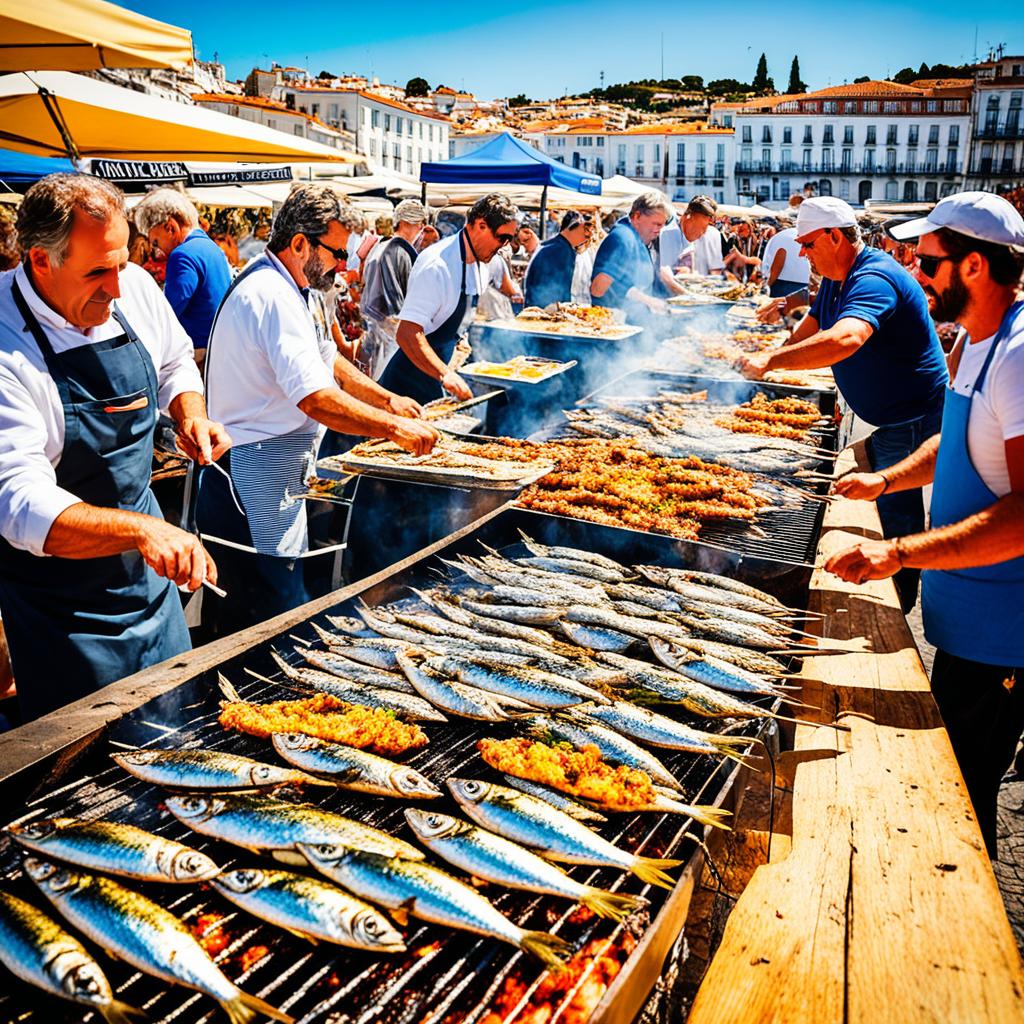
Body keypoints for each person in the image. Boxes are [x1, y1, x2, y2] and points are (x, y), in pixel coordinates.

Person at [824, 192, 1024, 857]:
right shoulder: (975, 340)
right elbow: (955, 439)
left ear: (973, 266)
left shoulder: (1021, 355)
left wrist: (901, 551)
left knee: (965, 805)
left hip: (1002, 638)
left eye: (930, 258)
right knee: (951, 788)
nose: (916, 267)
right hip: (963, 624)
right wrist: (887, 479)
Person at [0, 174, 230, 722]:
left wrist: (189, 415)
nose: (117, 287)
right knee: (92, 770)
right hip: (64, 611)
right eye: (98, 272)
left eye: (123, 263)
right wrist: (143, 530)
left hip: (151, 582)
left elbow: (175, 360)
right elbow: (18, 503)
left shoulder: (132, 289)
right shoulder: (6, 346)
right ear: (40, 261)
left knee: (182, 728)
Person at [197, 184, 437, 636]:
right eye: (336, 251)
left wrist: (388, 399)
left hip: (281, 470)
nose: (343, 264)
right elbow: (315, 398)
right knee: (261, 619)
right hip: (251, 474)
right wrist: (393, 429)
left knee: (282, 603)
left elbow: (329, 359)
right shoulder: (270, 294)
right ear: (300, 243)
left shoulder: (298, 288)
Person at [737, 196, 948, 612]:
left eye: (807, 243)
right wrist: (776, 362)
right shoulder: (837, 274)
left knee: (894, 510)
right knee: (884, 498)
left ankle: (896, 602)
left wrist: (770, 360)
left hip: (913, 417)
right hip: (891, 417)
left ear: (835, 236)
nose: (800, 251)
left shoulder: (872, 276)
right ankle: (893, 584)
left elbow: (847, 337)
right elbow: (815, 323)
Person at [381, 193, 521, 404]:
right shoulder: (436, 265)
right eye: (502, 237)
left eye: (510, 239)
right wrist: (445, 374)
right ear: (481, 225)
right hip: (407, 383)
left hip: (440, 375)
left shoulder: (485, 263)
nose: (505, 245)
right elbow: (407, 333)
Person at [134, 189, 232, 368]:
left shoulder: (182, 255)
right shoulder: (210, 246)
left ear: (170, 226)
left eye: (156, 242)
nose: (157, 250)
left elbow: (168, 310)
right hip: (218, 345)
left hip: (198, 353)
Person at [361, 199, 430, 379]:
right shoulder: (398, 251)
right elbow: (402, 304)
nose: (421, 229)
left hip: (376, 329)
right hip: (392, 333)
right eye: (420, 224)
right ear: (406, 223)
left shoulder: (381, 246)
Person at [591, 191, 671, 321]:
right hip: (615, 325)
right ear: (637, 216)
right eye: (656, 224)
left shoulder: (636, 237)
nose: (660, 229)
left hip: (637, 322)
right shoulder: (622, 239)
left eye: (662, 225)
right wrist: (647, 300)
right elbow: (598, 288)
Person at [524, 210, 595, 309]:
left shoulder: (553, 245)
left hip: (536, 308)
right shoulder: (562, 250)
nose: (587, 237)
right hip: (545, 313)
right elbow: (558, 291)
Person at [657, 195, 725, 282]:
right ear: (688, 217)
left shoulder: (711, 234)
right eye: (699, 227)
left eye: (705, 228)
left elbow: (716, 271)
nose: (702, 233)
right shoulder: (667, 234)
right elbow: (665, 274)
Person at [759, 224, 811, 298]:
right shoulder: (804, 234)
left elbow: (777, 266)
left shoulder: (780, 238)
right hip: (806, 284)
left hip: (782, 285)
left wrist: (767, 285)